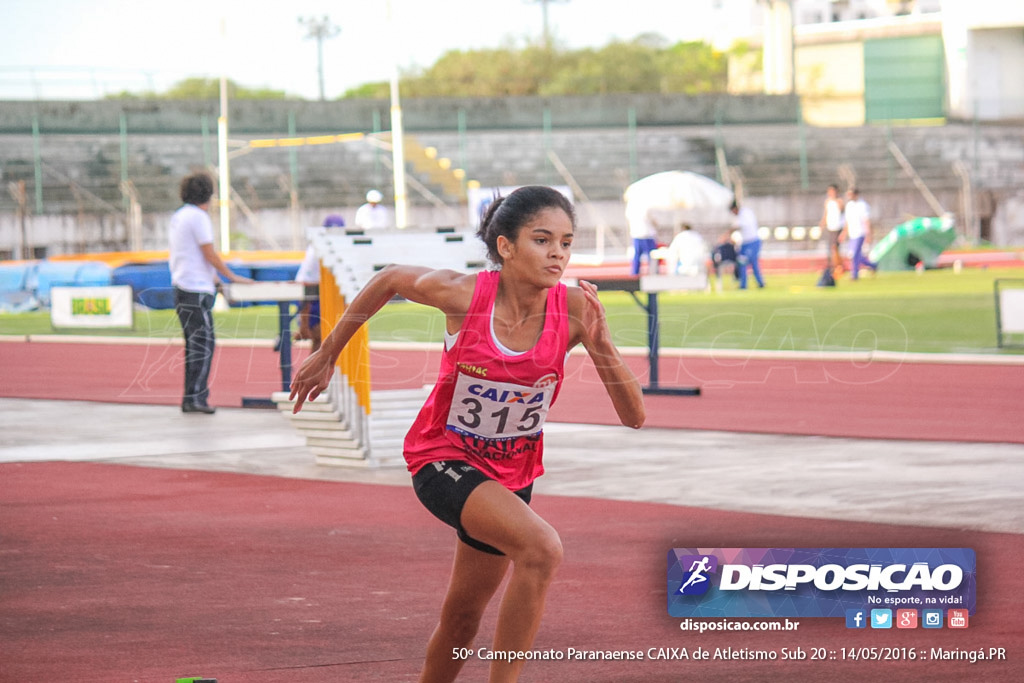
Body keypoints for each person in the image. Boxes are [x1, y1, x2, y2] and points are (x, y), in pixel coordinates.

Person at [289, 185, 645, 683]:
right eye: (542, 240)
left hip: (510, 477)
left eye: (566, 242)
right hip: (442, 458)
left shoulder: (577, 311)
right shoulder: (463, 294)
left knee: (461, 617)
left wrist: (602, 342)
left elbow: (634, 415)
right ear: (506, 246)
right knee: (542, 550)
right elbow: (388, 278)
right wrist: (327, 353)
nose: (558, 254)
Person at [168, 171, 252, 414]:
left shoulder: (180, 216)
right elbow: (208, 253)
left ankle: (192, 396)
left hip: (186, 285)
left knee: (196, 344)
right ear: (208, 194)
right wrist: (231, 276)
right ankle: (195, 397)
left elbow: (193, 256)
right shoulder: (198, 218)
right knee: (203, 345)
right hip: (194, 289)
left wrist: (216, 281)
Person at [294, 214, 346, 352]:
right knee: (321, 338)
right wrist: (304, 324)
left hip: (331, 294)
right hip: (314, 295)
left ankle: (317, 371)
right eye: (331, 231)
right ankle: (313, 372)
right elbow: (306, 285)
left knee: (328, 340)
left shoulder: (343, 247)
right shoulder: (315, 251)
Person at [841, 188, 878, 280]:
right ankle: (872, 265)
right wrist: (844, 233)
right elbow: (847, 221)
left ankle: (854, 275)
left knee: (855, 254)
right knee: (851, 255)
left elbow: (866, 220)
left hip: (860, 232)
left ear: (856, 194)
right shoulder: (849, 205)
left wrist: (868, 234)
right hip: (852, 233)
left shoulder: (863, 205)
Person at [730, 199, 764, 289]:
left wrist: (726, 235)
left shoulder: (745, 214)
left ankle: (759, 283)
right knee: (744, 263)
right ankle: (745, 284)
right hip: (745, 243)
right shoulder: (742, 214)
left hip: (752, 241)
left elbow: (737, 226)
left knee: (750, 262)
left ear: (734, 209)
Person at [625, 201, 659, 276]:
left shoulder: (630, 207)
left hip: (637, 234)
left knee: (637, 256)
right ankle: (653, 273)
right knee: (652, 256)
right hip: (647, 235)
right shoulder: (645, 205)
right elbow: (652, 220)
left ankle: (635, 273)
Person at [819, 184, 845, 274]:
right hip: (830, 227)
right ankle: (834, 266)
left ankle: (838, 266)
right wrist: (822, 224)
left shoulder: (839, 201)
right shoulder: (827, 202)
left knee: (834, 247)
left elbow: (842, 210)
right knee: (831, 248)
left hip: (838, 227)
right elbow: (826, 214)